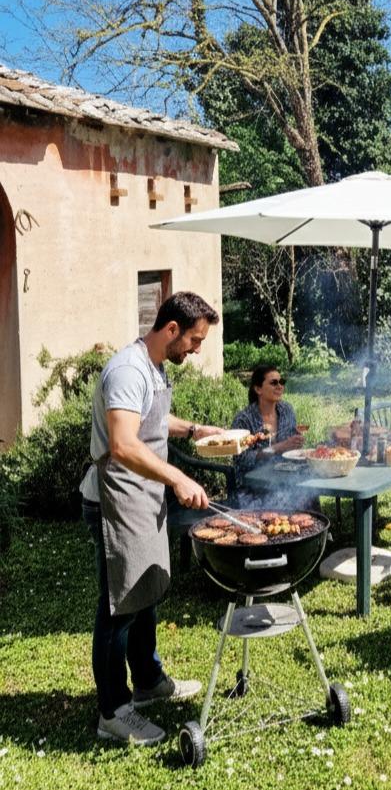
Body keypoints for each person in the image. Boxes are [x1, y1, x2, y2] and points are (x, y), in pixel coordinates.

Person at [80, 291, 226, 746]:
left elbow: (152, 420)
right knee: (120, 606)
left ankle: (147, 681)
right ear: (171, 329)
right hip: (115, 499)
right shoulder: (128, 369)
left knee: (144, 591)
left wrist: (196, 430)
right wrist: (178, 477)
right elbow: (124, 443)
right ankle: (112, 711)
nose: (196, 349)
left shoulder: (154, 367)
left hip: (142, 495)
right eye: (195, 340)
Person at [232, 364, 303, 485]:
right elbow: (241, 459)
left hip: (284, 476)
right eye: (274, 383)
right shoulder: (244, 419)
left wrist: (296, 442)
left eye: (281, 382)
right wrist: (276, 448)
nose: (280, 386)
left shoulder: (286, 410)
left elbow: (290, 448)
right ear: (258, 389)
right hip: (253, 483)